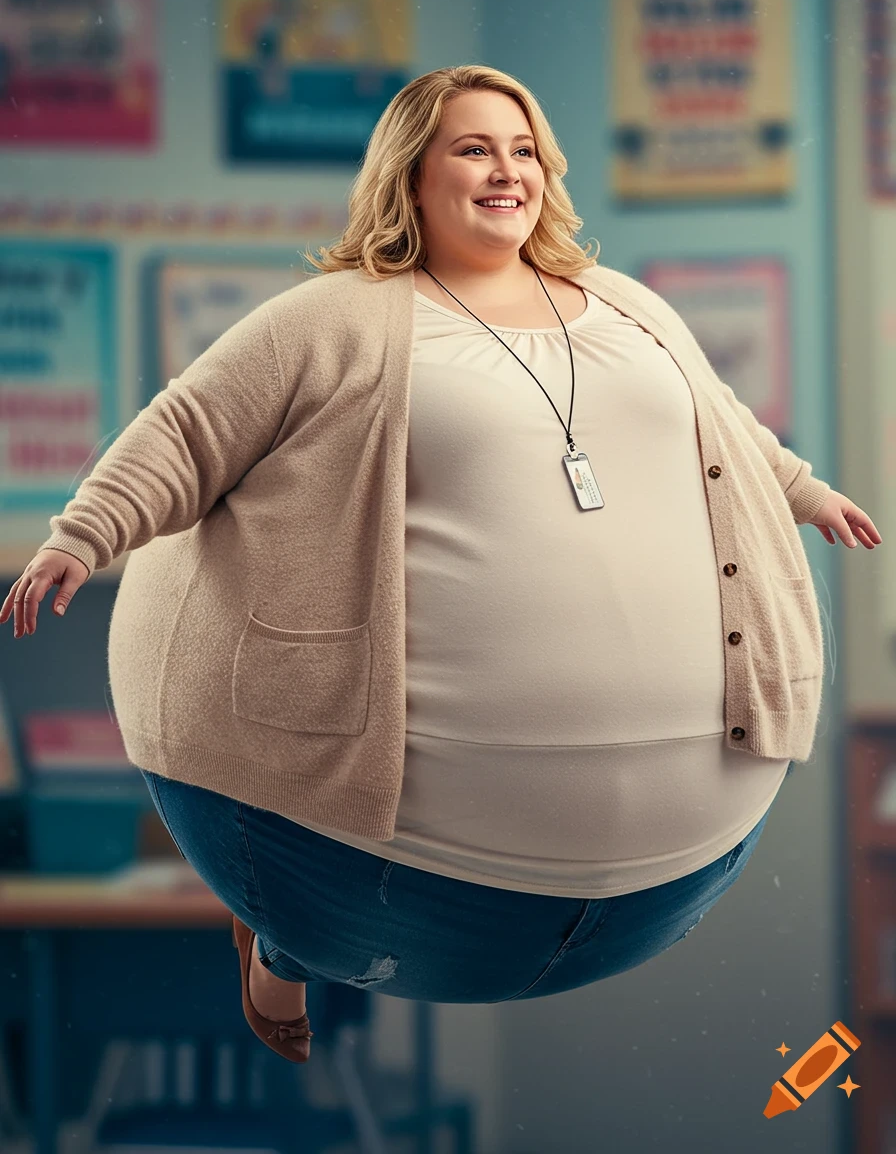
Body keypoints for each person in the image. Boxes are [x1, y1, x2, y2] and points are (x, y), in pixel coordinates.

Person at [0, 66, 882, 1067]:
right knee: (315, 902)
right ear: (410, 175)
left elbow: (718, 422)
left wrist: (803, 489)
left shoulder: (625, 305)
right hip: (359, 856)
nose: (503, 171)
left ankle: (287, 942)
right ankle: (281, 945)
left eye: (519, 149)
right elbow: (189, 428)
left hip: (676, 858)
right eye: (471, 149)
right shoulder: (338, 316)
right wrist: (84, 534)